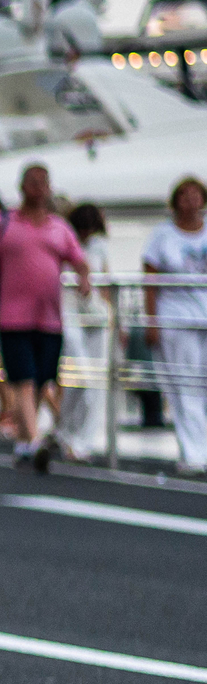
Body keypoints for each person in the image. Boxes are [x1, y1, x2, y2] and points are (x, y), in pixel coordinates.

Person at [0, 162, 92, 472]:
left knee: (42, 380)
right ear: (22, 187)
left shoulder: (58, 227)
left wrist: (84, 279)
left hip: (50, 318)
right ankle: (36, 439)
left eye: (44, 182)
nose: (39, 188)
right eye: (33, 182)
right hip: (13, 316)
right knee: (23, 379)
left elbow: (79, 259)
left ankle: (25, 440)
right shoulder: (2, 223)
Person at [143, 175, 207, 474]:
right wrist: (152, 321)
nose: (191, 200)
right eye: (185, 195)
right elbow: (150, 281)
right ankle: (194, 452)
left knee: (202, 386)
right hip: (176, 317)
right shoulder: (162, 235)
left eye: (196, 195)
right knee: (185, 386)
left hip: (204, 316)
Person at [54, 203, 113, 461]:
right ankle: (65, 430)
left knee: (94, 382)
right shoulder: (65, 243)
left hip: (96, 315)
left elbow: (107, 284)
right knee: (80, 377)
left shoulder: (101, 246)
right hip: (69, 315)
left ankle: (81, 440)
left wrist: (116, 321)